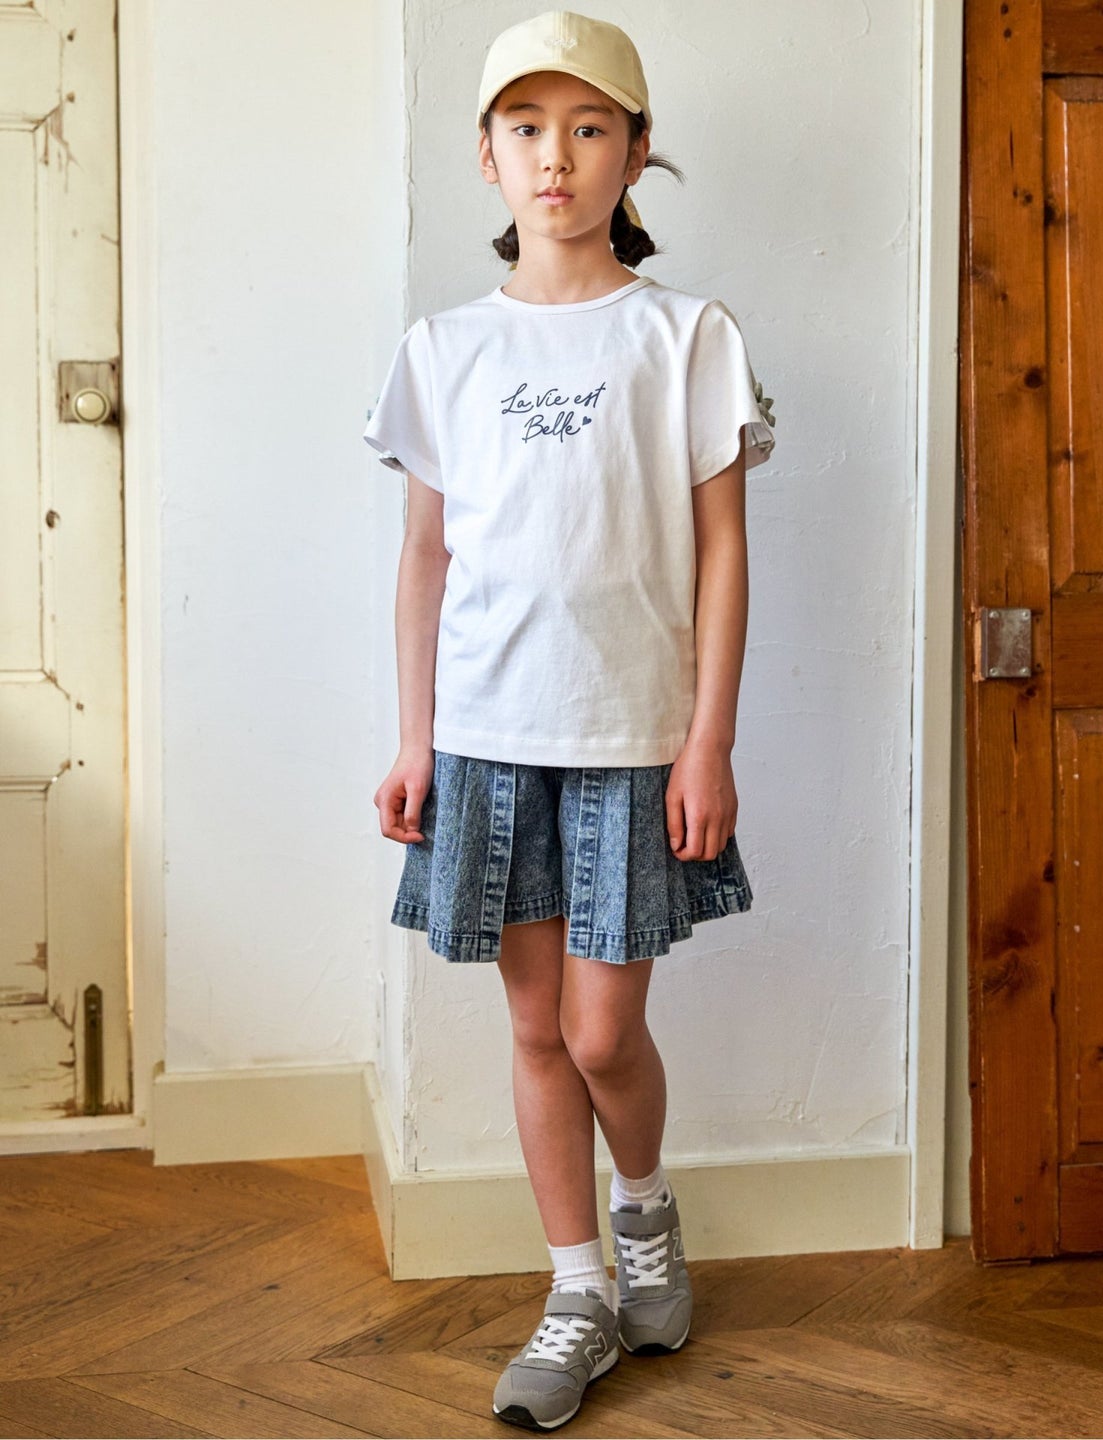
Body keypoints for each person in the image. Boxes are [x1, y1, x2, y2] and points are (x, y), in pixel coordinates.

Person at [363, 10, 775, 1431]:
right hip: (488, 740)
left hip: (632, 741)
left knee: (604, 1034)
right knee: (536, 1030)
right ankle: (577, 1288)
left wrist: (708, 739)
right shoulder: (443, 350)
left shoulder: (687, 337)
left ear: (636, 154)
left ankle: (645, 1214)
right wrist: (414, 737)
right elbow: (425, 561)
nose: (557, 156)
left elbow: (722, 552)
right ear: (486, 155)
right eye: (527, 128)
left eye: (590, 128)